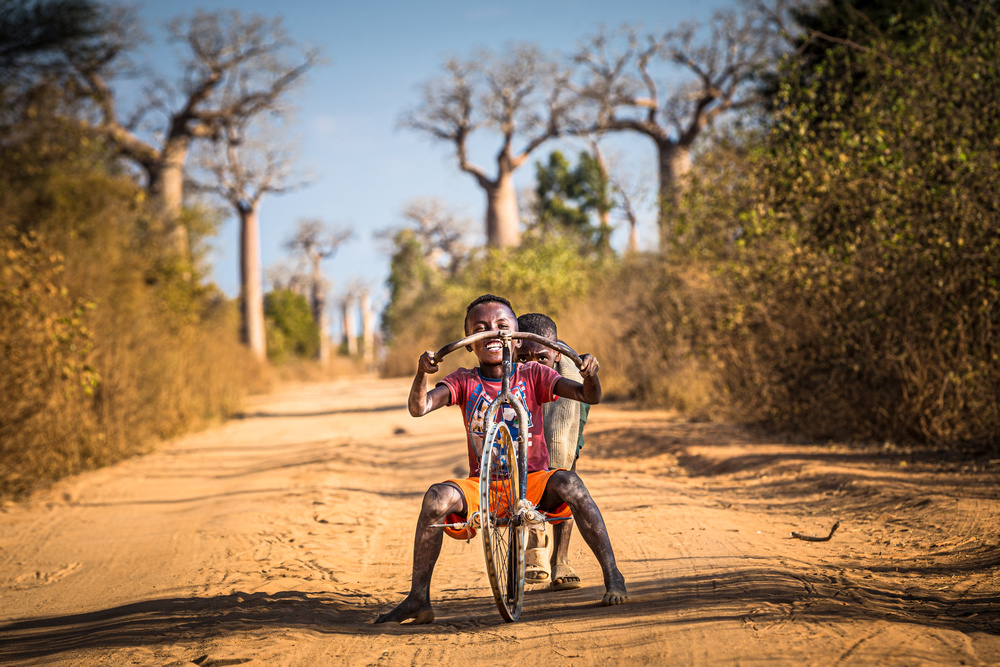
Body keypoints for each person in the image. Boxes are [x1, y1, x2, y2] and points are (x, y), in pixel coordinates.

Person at [374, 294, 629, 624]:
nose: (493, 333)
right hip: (483, 485)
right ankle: (418, 599)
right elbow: (418, 407)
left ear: (516, 337)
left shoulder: (534, 374)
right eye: (481, 328)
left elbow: (587, 395)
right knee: (436, 498)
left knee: (570, 483)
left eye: (502, 326)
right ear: (469, 343)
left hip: (532, 484)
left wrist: (589, 373)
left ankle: (613, 576)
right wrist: (422, 373)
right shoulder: (464, 380)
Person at [516, 312, 589, 592]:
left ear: (556, 354)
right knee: (522, 465)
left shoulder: (568, 369)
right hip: (522, 399)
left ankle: (561, 558)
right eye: (523, 359)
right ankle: (535, 542)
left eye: (541, 358)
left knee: (563, 470)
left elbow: (560, 456)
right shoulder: (508, 371)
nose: (533, 365)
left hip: (567, 394)